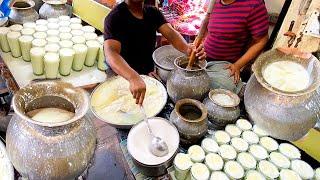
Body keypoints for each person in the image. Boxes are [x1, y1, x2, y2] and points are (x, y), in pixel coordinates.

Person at [103, 0, 206, 105]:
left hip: (147, 74)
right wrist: (133, 77)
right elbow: (111, 53)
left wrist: (188, 49)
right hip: (123, 78)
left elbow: (171, 34)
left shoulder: (153, 12)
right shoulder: (115, 18)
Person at [202, 0, 269, 94]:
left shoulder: (253, 5)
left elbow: (261, 41)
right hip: (204, 59)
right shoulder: (215, 2)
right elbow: (209, 25)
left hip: (226, 65)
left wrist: (238, 65)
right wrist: (200, 42)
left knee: (219, 90)